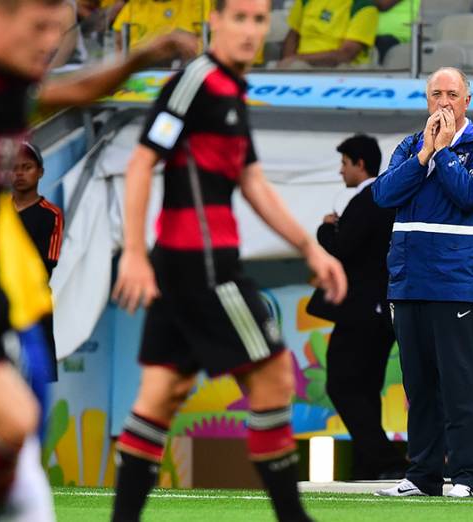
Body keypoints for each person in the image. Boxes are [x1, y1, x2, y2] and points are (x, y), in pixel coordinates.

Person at [0, 0, 195, 518]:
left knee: (15, 429)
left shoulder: (8, 89)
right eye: (38, 28)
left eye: (57, 30)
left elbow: (73, 90)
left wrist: (138, 57)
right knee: (10, 423)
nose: (49, 42)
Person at [108, 1, 346, 520]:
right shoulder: (196, 81)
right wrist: (132, 251)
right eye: (238, 17)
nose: (250, 30)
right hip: (204, 265)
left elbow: (252, 182)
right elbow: (143, 161)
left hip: (188, 263)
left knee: (161, 394)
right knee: (276, 375)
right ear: (213, 21)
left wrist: (309, 248)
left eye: (259, 20)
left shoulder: (232, 91)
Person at [372, 67, 473, 499]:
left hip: (458, 284)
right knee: (419, 386)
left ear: (467, 100)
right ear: (426, 100)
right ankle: (423, 475)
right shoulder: (412, 147)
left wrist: (445, 152)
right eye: (436, 94)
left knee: (461, 385)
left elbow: (470, 195)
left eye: (452, 94)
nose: (444, 102)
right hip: (409, 282)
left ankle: (468, 478)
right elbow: (383, 195)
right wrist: (425, 155)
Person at [309, 134, 403, 480]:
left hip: (361, 311)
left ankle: (387, 462)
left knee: (343, 385)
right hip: (382, 312)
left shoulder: (369, 199)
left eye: (344, 163)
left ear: (360, 164)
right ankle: (369, 466)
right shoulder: (390, 198)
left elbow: (344, 248)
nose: (340, 171)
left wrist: (325, 229)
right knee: (365, 389)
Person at [12, 143, 63, 278]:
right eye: (13, 168)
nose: (19, 173)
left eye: (27, 167)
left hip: (31, 293)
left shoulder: (52, 214)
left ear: (40, 172)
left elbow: (46, 264)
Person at [280, 0, 379, 67]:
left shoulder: (363, 7)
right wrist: (287, 62)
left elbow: (346, 55)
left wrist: (297, 60)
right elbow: (293, 34)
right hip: (301, 66)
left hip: (342, 72)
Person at [113, 0, 210, 52]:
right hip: (140, 73)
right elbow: (119, 43)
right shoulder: (135, 5)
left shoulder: (199, 3)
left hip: (186, 71)